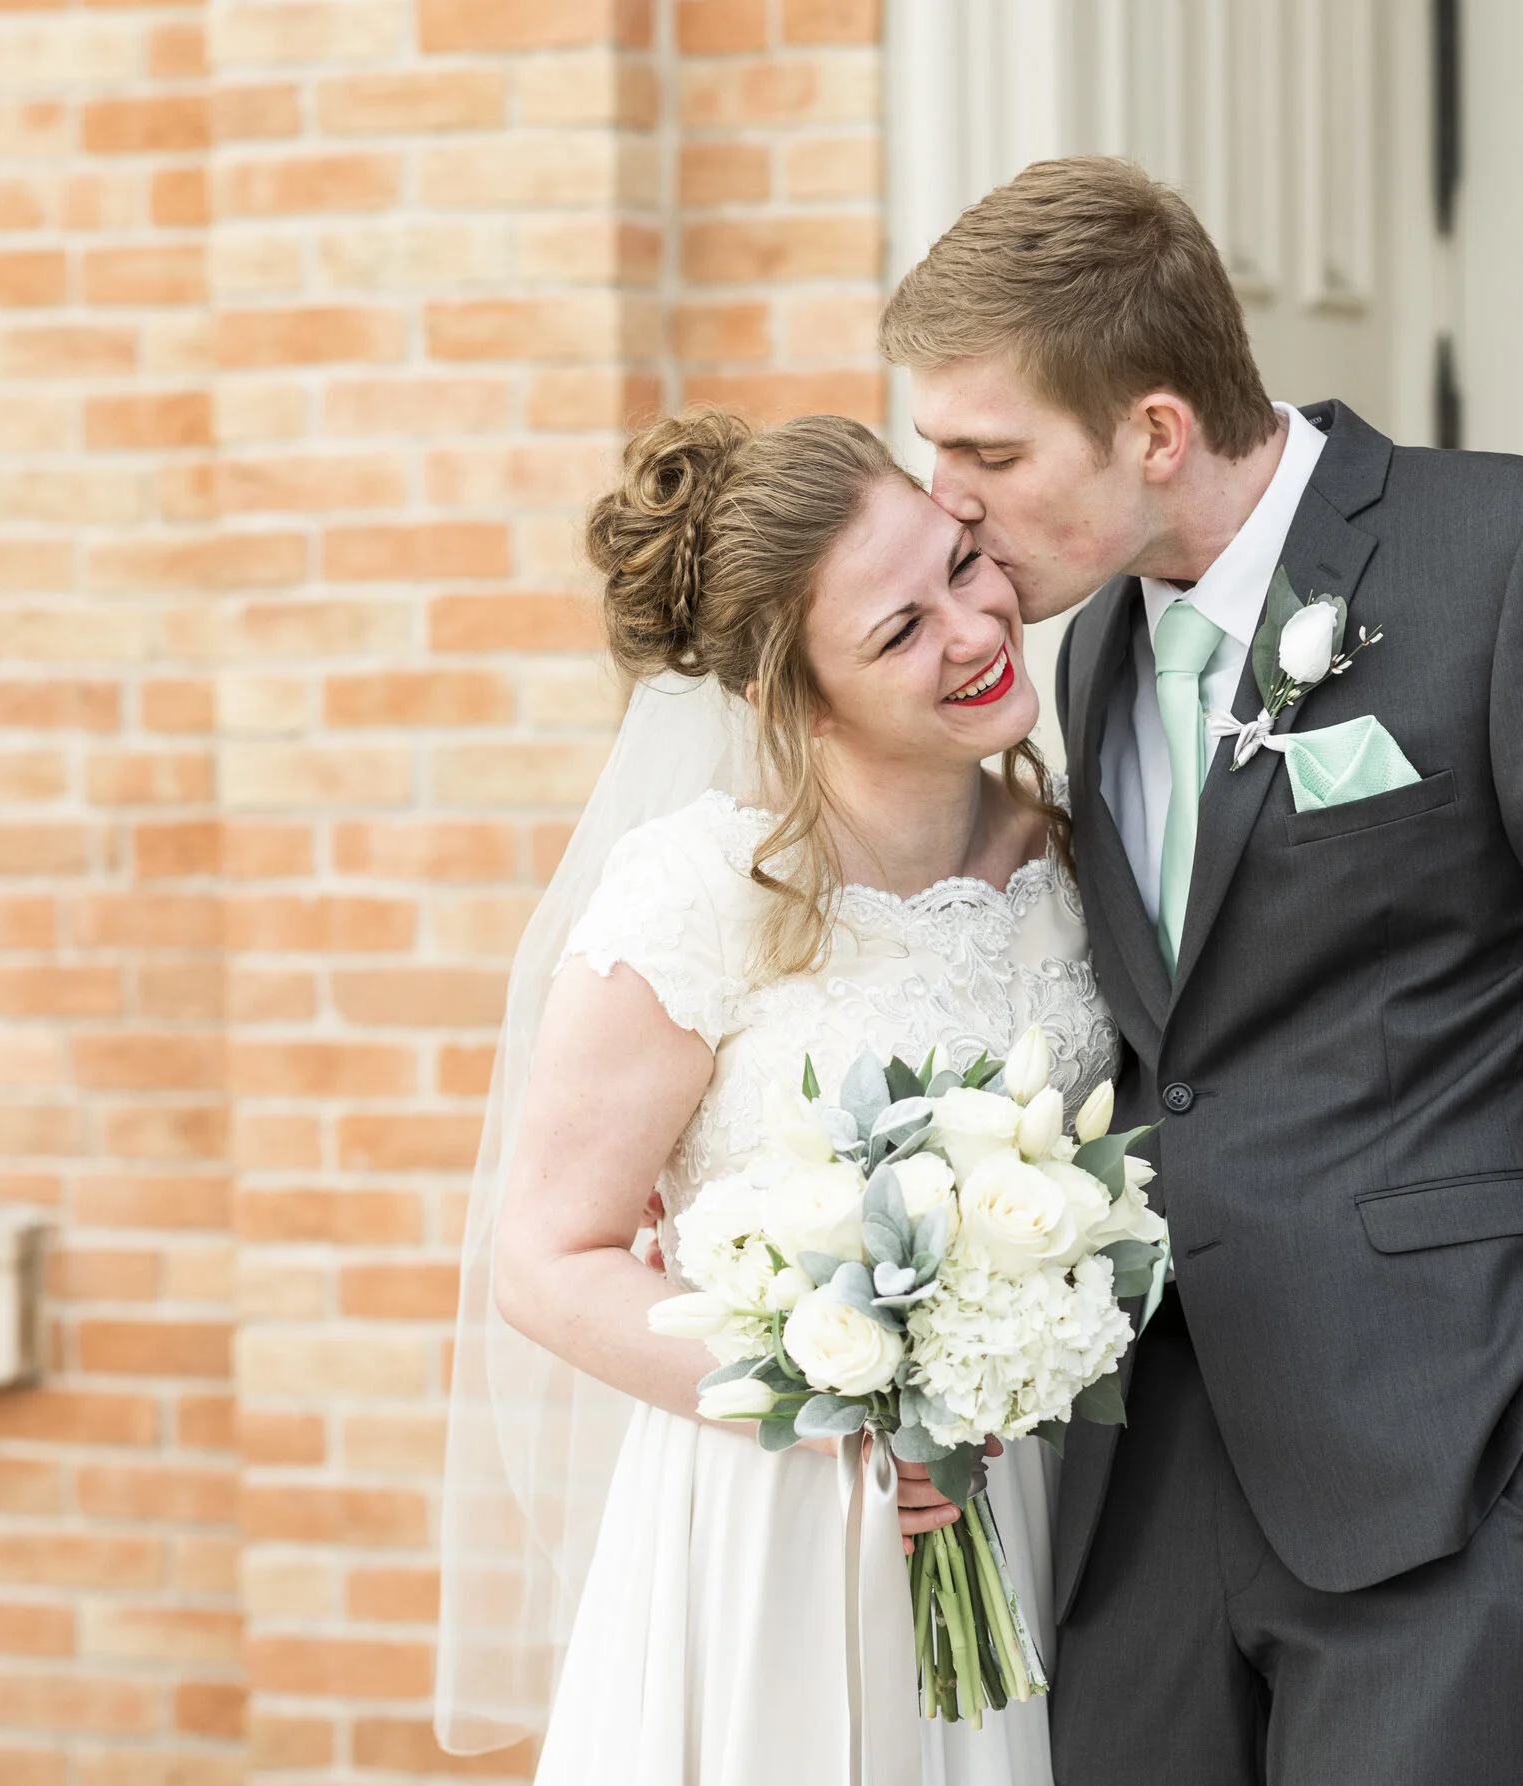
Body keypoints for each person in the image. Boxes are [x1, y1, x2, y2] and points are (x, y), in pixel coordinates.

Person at [881, 156, 1523, 1785]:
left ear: (1154, 428)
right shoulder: (1090, 650)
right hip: (1136, 1492)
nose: (950, 500)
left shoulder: (1519, 555)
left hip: (1450, 1468)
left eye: (987, 451)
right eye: (937, 450)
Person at [433, 408, 1105, 1784]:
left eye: (961, 567)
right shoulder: (702, 893)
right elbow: (544, 1258)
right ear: (799, 700)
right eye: (899, 630)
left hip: (1029, 1503)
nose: (975, 630)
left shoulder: (1082, 854)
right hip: (774, 1535)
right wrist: (854, 1395)